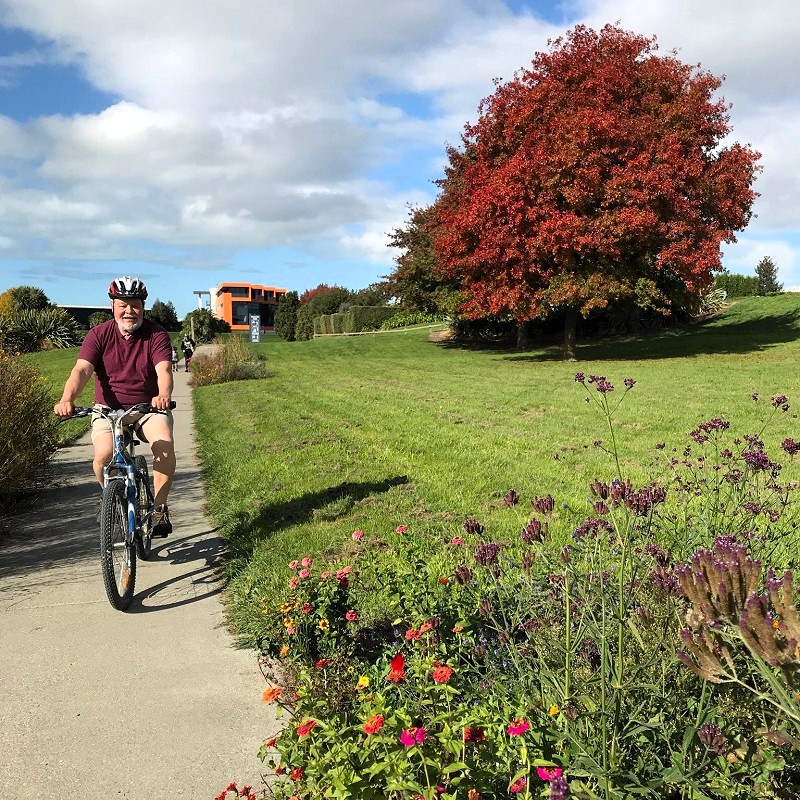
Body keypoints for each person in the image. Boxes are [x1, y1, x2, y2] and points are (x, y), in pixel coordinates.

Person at [54, 276, 175, 537]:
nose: (129, 311)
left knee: (164, 444)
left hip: (147, 408)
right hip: (108, 410)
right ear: (113, 307)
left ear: (143, 306)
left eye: (135, 305)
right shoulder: (98, 335)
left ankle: (158, 509)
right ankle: (109, 498)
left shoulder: (156, 334)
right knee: (102, 457)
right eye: (123, 305)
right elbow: (82, 370)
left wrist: (163, 394)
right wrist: (67, 399)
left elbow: (163, 369)